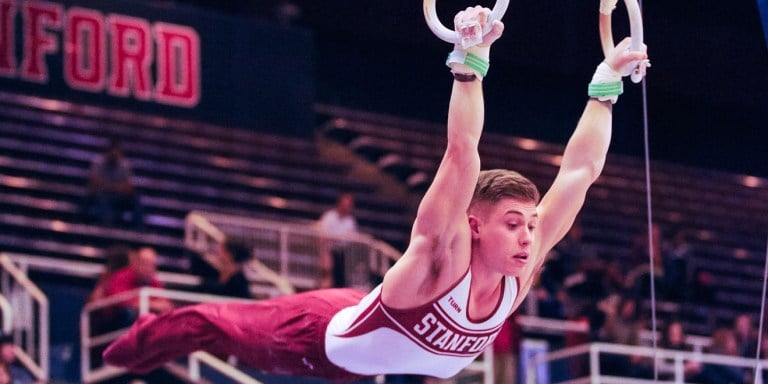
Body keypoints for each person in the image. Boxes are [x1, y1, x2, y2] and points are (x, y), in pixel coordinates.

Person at [103, 6, 648, 381]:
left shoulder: (521, 270)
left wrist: (606, 82)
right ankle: (133, 347)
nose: (530, 236)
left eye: (530, 224)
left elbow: (582, 169)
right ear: (474, 225)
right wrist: (470, 63)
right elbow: (463, 150)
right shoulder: (443, 255)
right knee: (212, 327)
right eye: (513, 222)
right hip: (319, 336)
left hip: (371, 319)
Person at [80, 137, 144, 229]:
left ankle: (139, 229)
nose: (114, 155)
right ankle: (106, 227)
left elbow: (128, 187)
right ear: (108, 152)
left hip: (117, 196)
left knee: (136, 199)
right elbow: (94, 181)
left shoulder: (124, 165)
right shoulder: (98, 162)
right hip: (101, 194)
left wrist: (111, 187)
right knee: (101, 197)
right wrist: (114, 187)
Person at [317, 192, 359, 288]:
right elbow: (323, 234)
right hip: (327, 250)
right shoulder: (329, 216)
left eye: (348, 205)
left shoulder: (350, 221)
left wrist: (334, 238)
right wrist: (337, 238)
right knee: (326, 272)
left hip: (342, 254)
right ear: (339, 204)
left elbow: (349, 239)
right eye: (345, 204)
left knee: (340, 277)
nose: (346, 207)